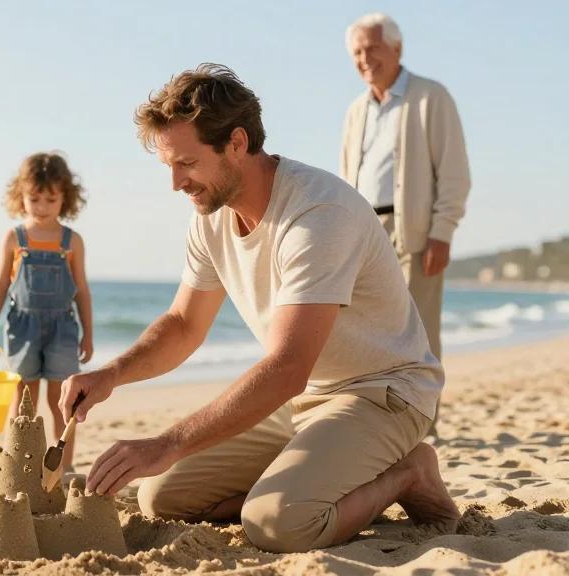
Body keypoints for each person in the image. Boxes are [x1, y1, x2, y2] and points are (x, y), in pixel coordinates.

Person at [61, 64, 460, 553]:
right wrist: (111, 374)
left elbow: (287, 367)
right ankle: (303, 480)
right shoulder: (210, 216)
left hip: (382, 394)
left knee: (277, 524)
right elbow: (185, 324)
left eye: (186, 163)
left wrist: (165, 444)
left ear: (236, 142)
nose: (175, 183)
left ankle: (408, 474)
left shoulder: (318, 214)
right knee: (162, 496)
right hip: (303, 400)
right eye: (168, 165)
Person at [340, 12, 471, 363]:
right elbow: (347, 176)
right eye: (357, 52)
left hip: (413, 232)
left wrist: (441, 233)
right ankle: (385, 417)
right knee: (371, 332)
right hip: (365, 234)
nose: (365, 59)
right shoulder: (356, 110)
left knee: (418, 335)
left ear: (397, 49)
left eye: (373, 48)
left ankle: (425, 420)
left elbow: (455, 173)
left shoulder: (431, 96)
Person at [0, 152, 93, 473]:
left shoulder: (72, 241)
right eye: (34, 199)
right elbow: (0, 284)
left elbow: (81, 290)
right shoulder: (15, 238)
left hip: (63, 328)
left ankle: (64, 466)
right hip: (22, 327)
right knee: (23, 401)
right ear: (21, 197)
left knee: (62, 401)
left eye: (50, 199)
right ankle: (18, 465)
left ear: (65, 199)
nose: (41, 207)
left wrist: (88, 333)